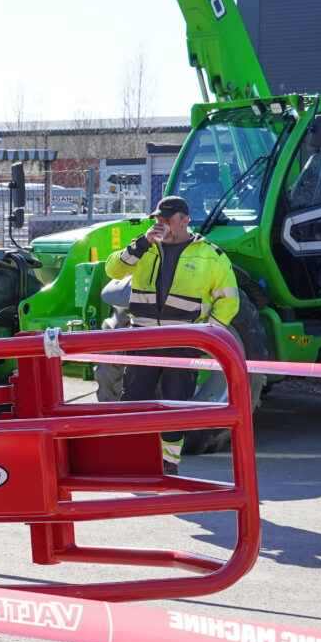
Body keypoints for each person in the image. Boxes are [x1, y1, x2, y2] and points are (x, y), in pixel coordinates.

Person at [103, 194, 240, 473]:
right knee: (133, 401)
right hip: (142, 337)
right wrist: (141, 244)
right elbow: (112, 269)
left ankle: (169, 463)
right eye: (158, 219)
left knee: (175, 405)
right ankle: (133, 458)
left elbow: (229, 299)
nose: (161, 224)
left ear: (185, 221)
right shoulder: (144, 247)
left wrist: (206, 333)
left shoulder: (210, 256)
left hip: (182, 342)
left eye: (168, 219)